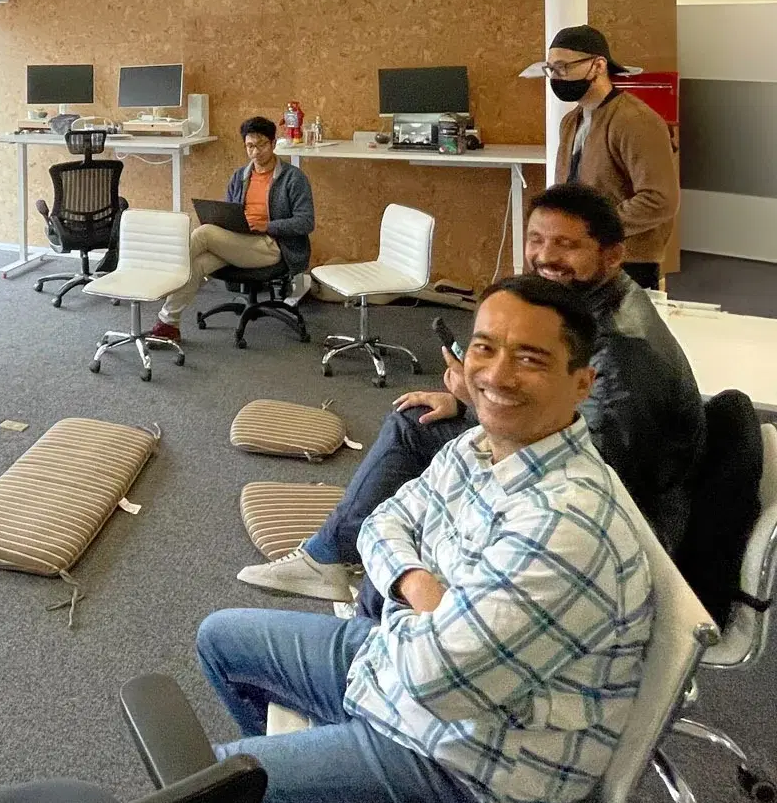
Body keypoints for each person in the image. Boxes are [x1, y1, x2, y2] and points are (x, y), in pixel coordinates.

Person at [198, 276, 654, 803]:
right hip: (403, 676)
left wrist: (411, 600)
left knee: (208, 792)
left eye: (530, 359)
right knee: (220, 639)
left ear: (582, 384)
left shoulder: (567, 524)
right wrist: (423, 587)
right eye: (485, 348)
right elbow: (383, 522)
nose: (495, 375)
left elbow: (435, 681)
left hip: (472, 780)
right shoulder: (480, 444)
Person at [239, 182, 702, 611]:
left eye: (567, 244)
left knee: (424, 434)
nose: (545, 257)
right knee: (418, 417)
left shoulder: (621, 352)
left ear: (613, 255)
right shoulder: (598, 308)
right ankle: (337, 556)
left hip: (615, 528)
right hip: (588, 476)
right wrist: (465, 403)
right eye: (536, 239)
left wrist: (480, 405)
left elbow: (586, 466)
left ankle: (349, 565)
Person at [149, 116, 315, 342]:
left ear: (273, 143)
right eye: (250, 146)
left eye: (262, 145)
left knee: (205, 233)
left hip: (273, 246)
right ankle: (168, 324)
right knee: (197, 265)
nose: (256, 152)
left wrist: (268, 225)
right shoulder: (240, 176)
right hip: (240, 242)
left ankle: (160, 274)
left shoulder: (292, 178)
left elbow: (306, 222)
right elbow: (230, 211)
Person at [539, 24, 678, 290]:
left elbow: (660, 199)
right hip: (581, 258)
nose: (555, 77)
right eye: (551, 69)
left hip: (626, 263)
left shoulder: (636, 121)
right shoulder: (571, 121)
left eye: (563, 67)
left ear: (598, 66)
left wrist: (592, 228)